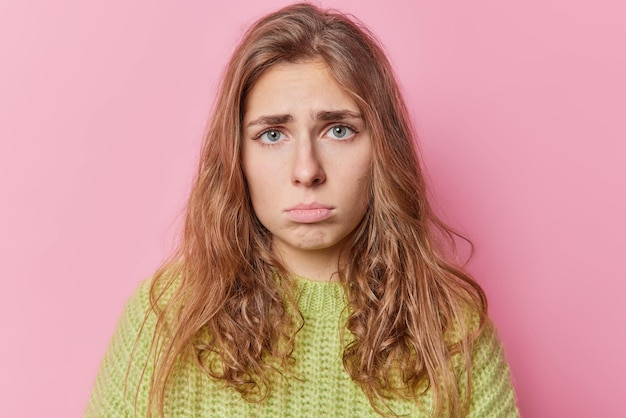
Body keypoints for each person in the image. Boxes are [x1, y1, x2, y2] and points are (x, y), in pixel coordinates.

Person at [86, 3, 518, 417]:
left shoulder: (452, 332)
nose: (307, 170)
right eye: (273, 134)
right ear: (237, 157)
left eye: (338, 130)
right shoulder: (164, 317)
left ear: (383, 151)